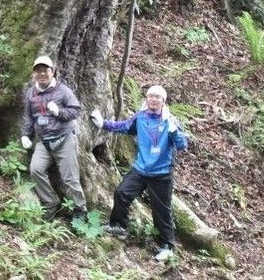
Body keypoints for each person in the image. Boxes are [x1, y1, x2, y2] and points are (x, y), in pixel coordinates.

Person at [90, 85, 188, 262]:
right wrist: (103, 124)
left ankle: (167, 246)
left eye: (157, 97)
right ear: (146, 98)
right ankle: (119, 226)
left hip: (162, 173)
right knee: (122, 192)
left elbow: (182, 145)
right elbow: (125, 127)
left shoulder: (169, 120)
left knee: (161, 211)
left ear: (163, 101)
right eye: (150, 96)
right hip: (141, 169)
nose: (153, 99)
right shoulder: (141, 116)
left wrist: (174, 132)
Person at [20, 55, 87, 222]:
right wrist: (25, 135)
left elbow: (76, 111)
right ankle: (51, 202)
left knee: (70, 178)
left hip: (64, 139)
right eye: (39, 71)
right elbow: (29, 117)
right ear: (34, 73)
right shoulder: (31, 93)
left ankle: (80, 210)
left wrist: (59, 112)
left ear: (52, 71)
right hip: (44, 141)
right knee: (35, 170)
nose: (42, 74)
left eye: (46, 70)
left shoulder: (63, 91)